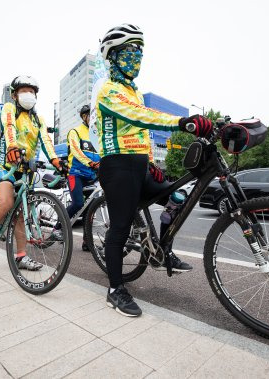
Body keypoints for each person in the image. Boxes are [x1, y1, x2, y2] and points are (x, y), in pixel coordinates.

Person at [96, 24, 213, 316]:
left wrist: (150, 162)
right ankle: (115, 290)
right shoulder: (107, 89)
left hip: (138, 165)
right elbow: (140, 116)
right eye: (128, 51)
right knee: (120, 228)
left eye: (138, 51)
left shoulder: (132, 91)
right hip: (117, 165)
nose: (135, 56)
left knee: (178, 198)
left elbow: (141, 132)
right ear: (113, 56)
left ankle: (164, 251)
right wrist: (181, 122)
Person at [0, 75, 67, 269]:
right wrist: (11, 147)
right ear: (14, 94)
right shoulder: (9, 109)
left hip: (26, 170)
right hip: (6, 167)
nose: (28, 95)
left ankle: (20, 256)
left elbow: (45, 141)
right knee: (6, 202)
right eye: (23, 91)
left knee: (20, 215)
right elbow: (9, 127)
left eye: (32, 92)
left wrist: (55, 161)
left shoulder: (38, 119)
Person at [65, 104, 100, 251]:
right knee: (78, 203)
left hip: (92, 175)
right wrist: (90, 162)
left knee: (90, 209)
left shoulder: (97, 134)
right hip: (76, 174)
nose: (93, 119)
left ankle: (87, 242)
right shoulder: (75, 132)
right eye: (90, 116)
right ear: (84, 117)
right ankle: (58, 227)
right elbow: (76, 151)